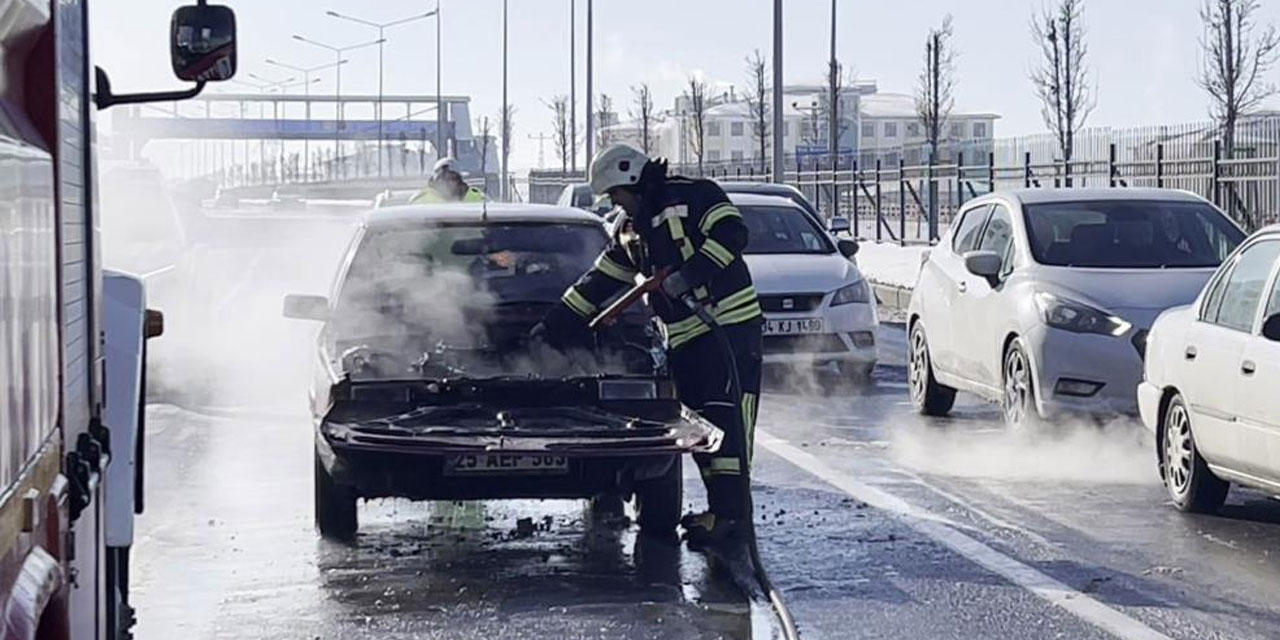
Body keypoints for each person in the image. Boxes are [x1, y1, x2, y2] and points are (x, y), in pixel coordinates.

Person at [534, 143, 763, 547]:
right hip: (684, 336)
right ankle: (719, 513)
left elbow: (732, 234)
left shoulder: (696, 195)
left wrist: (688, 277)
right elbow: (598, 283)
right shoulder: (630, 230)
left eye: (616, 194)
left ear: (632, 179)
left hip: (729, 327)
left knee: (728, 421)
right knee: (702, 427)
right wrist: (551, 328)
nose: (615, 202)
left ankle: (732, 517)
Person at [411, 157, 486, 204]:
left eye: (452, 178)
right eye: (442, 178)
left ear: (459, 181)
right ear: (434, 181)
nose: (447, 183)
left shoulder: (477, 197)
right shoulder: (421, 200)